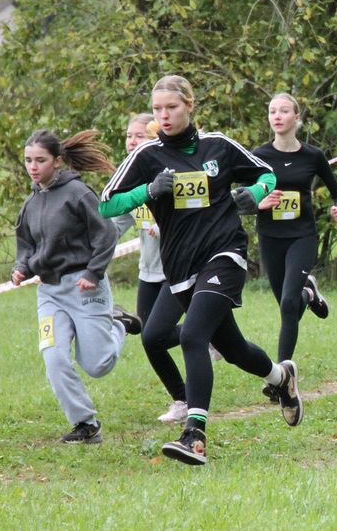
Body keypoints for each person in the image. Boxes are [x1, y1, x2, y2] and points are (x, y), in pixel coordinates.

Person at [99, 75, 303, 466]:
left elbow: (267, 173)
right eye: (157, 109)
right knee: (231, 348)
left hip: (225, 253)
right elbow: (106, 204)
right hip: (180, 268)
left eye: (171, 107)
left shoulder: (218, 146)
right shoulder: (147, 156)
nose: (164, 115)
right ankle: (281, 378)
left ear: (189, 106)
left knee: (193, 335)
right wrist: (148, 191)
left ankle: (194, 435)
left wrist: (255, 194)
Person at [12, 129, 141, 444]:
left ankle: (120, 324)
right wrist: (21, 268)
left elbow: (106, 235)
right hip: (49, 293)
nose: (33, 167)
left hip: (85, 287)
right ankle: (86, 424)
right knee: (53, 357)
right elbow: (26, 245)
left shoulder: (78, 193)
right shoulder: (31, 203)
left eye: (40, 160)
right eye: (28, 160)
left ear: (57, 161)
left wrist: (94, 273)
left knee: (97, 365)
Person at [251, 93, 337, 379]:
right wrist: (259, 203)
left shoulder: (313, 156)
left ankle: (283, 374)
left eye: (283, 111)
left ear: (297, 117)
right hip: (270, 236)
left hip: (302, 235)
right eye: (272, 111)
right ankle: (309, 293)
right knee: (288, 305)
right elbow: (241, 196)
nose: (277, 116)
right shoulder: (258, 156)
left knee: (288, 304)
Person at [110, 114, 189, 422]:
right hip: (149, 270)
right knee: (150, 336)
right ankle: (182, 398)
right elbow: (115, 224)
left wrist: (166, 225)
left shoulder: (170, 172)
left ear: (155, 138)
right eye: (129, 136)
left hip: (178, 268)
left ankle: (184, 398)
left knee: (154, 335)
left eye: (139, 136)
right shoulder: (130, 179)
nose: (132, 141)